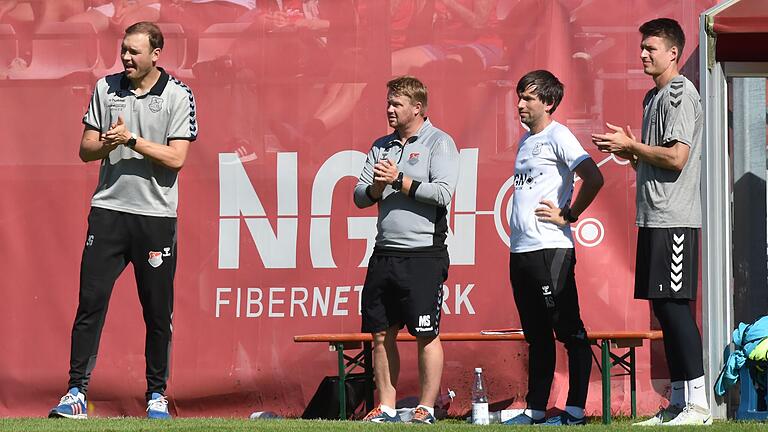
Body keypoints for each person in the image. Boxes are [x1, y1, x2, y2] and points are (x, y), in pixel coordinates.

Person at [48, 21, 197, 420]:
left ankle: (156, 395)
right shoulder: (105, 88)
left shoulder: (178, 95)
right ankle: (76, 392)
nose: (126, 58)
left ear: (156, 54)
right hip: (108, 214)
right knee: (90, 304)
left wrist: (131, 140)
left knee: (156, 311)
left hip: (155, 218)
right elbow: (85, 150)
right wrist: (108, 143)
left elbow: (177, 158)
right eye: (124, 50)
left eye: (134, 51)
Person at [591, 18, 710, 426]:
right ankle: (678, 403)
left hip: (675, 217)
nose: (643, 54)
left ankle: (699, 404)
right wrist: (628, 151)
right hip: (653, 217)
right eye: (641, 47)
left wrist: (632, 146)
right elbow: (654, 156)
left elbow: (677, 157)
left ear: (673, 53)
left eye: (651, 48)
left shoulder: (680, 92)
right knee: (663, 307)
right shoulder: (651, 98)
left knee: (677, 309)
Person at [353, 75, 459, 424]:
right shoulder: (381, 145)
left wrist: (399, 180)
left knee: (425, 332)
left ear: (417, 108)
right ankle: (385, 406)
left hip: (423, 254)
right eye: (388, 103)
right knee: (380, 333)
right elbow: (358, 196)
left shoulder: (439, 143)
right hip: (384, 252)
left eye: (396, 104)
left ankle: (425, 408)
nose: (389, 109)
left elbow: (443, 193)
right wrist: (376, 187)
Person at [500, 70, 603, 426]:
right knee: (537, 336)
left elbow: (594, 176)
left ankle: (575, 410)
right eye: (519, 97)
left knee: (569, 330)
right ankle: (536, 410)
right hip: (522, 252)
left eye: (528, 98)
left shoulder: (559, 135)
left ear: (548, 102)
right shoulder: (526, 141)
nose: (520, 104)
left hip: (551, 250)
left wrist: (569, 213)